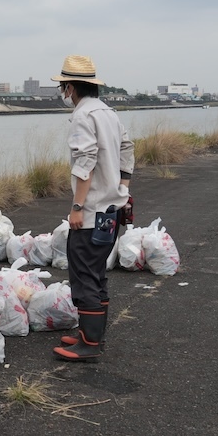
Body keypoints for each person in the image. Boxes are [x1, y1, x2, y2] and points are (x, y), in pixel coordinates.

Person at [50, 55, 135, 362]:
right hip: (112, 210)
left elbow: (85, 163)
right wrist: (124, 189)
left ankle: (89, 345)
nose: (64, 92)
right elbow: (127, 148)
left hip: (91, 212)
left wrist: (76, 207)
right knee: (97, 272)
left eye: (63, 87)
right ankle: (92, 332)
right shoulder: (108, 113)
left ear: (69, 87)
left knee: (83, 273)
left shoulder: (83, 117)